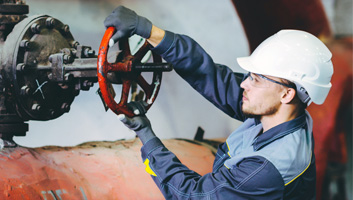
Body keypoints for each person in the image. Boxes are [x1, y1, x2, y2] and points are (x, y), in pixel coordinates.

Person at [104, 6, 334, 199]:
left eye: (255, 79)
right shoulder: (281, 113)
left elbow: (191, 195)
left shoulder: (265, 169)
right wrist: (148, 29)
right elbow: (209, 74)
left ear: (286, 94)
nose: (244, 84)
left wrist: (146, 136)